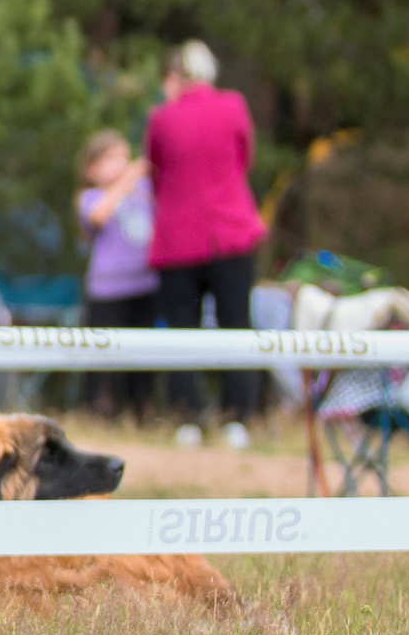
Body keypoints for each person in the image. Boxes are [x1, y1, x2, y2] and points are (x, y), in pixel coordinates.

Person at [147, 40, 266, 449]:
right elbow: (243, 157)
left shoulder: (162, 118)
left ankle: (188, 417)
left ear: (176, 76)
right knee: (237, 323)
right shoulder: (233, 106)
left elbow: (157, 171)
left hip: (177, 238)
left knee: (182, 329)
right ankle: (238, 417)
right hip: (229, 232)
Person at [76, 128, 159, 421]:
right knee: (104, 357)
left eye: (125, 156)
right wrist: (128, 180)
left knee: (141, 357)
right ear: (92, 169)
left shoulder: (143, 192)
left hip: (144, 285)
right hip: (108, 290)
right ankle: (100, 412)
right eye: (112, 157)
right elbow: (97, 216)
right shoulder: (90, 197)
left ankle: (142, 412)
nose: (122, 163)